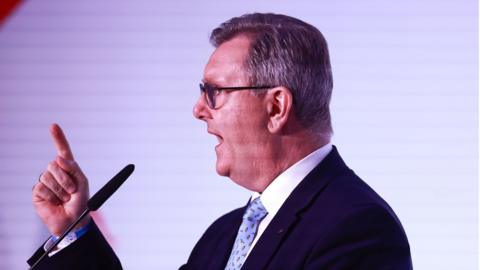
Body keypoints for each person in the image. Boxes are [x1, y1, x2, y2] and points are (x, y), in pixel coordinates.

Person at [28, 13, 412, 269]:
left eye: (214, 92)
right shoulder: (223, 236)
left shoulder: (357, 228)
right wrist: (72, 229)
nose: (198, 109)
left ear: (276, 106)